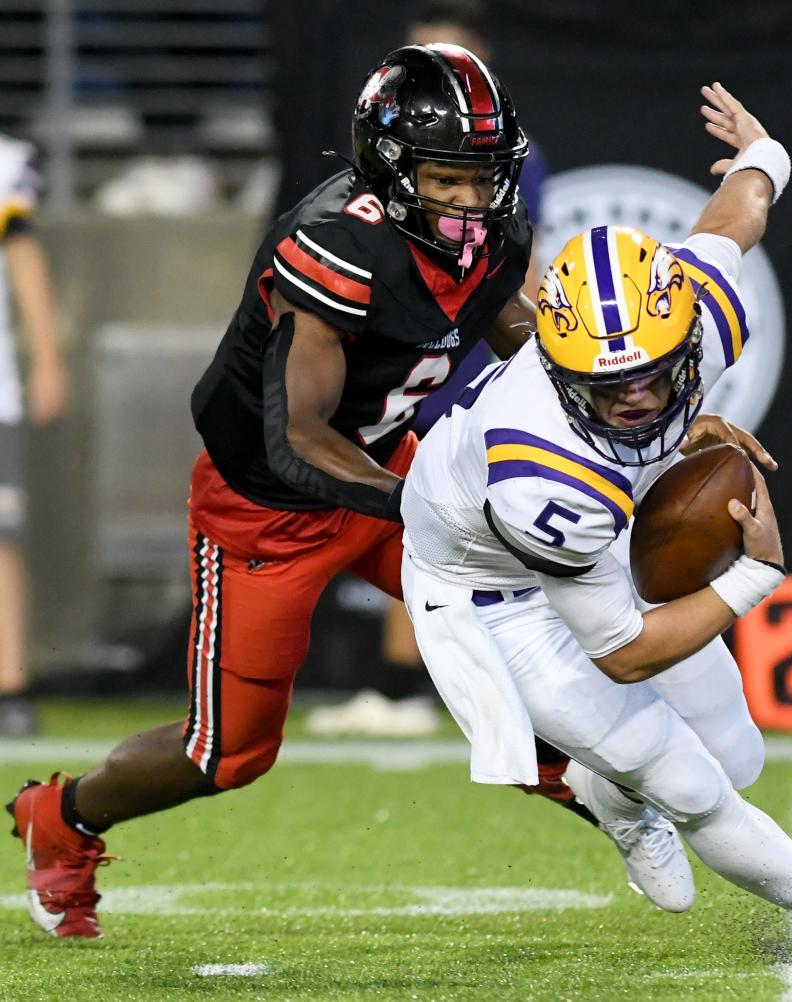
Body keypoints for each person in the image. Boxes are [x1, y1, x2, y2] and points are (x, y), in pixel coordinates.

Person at [6, 41, 699, 940]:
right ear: (395, 166)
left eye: (484, 176)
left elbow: (512, 331)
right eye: (447, 177)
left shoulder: (488, 232)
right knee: (226, 753)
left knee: (516, 633)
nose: (469, 201)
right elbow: (297, 436)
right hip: (268, 506)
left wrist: (621, 394)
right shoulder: (335, 247)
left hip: (389, 461)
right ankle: (59, 819)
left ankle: (611, 794)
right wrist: (432, 510)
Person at [397, 83, 792, 961]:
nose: (632, 400)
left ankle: (610, 790)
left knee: (737, 756)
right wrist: (753, 579)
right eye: (605, 384)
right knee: (693, 784)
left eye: (652, 376)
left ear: (685, 335)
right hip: (490, 590)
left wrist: (762, 152)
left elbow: (737, 216)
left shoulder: (705, 311)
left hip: (594, 538)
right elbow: (622, 652)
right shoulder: (542, 467)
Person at [305, 0, 551, 738]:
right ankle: (413, 682)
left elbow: (515, 260)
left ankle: (413, 685)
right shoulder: (396, 155)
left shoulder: (508, 162)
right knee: (419, 520)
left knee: (434, 517)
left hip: (455, 354)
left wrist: (525, 351)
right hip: (418, 355)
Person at [0, 134, 69, 737]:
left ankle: (10, 684)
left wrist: (46, 356)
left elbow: (23, 259)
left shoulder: (4, 163)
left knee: (2, 540)